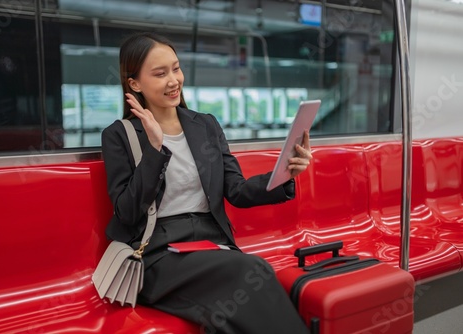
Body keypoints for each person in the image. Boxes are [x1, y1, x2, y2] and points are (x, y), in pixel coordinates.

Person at [101, 32, 312, 334]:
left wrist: (285, 175)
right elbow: (127, 212)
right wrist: (155, 149)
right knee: (253, 270)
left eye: (176, 68)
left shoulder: (205, 125)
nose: (173, 80)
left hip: (210, 245)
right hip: (158, 254)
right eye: (160, 74)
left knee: (229, 314)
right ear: (134, 84)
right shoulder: (119, 135)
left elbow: (236, 190)